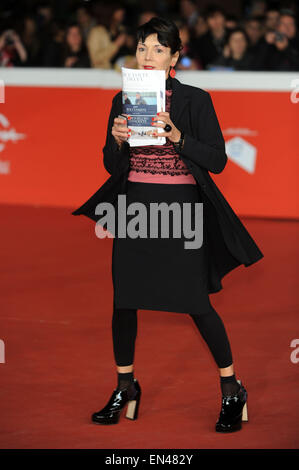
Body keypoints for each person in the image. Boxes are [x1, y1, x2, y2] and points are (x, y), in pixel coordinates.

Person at [72, 17, 264, 432]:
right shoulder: (122, 99)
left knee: (196, 303)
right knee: (124, 300)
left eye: (158, 49)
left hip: (182, 211)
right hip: (135, 209)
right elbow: (111, 165)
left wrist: (177, 136)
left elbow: (217, 160)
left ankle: (232, 388)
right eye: (142, 47)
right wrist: (118, 140)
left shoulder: (196, 99)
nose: (147, 55)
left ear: (175, 56)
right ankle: (126, 386)